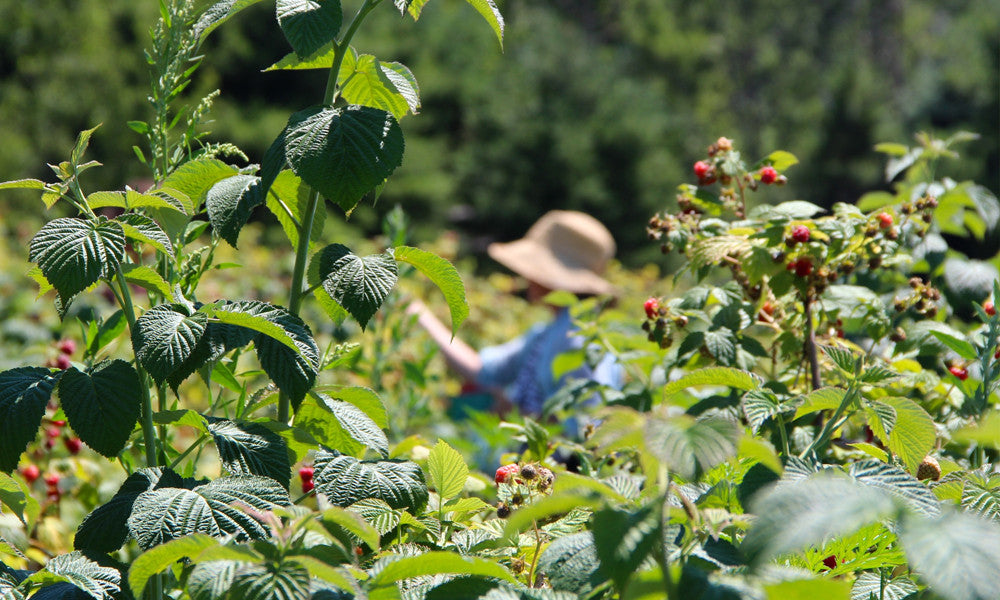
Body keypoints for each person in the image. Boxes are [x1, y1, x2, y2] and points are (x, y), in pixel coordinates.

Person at [407, 210, 623, 420]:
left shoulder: (576, 338)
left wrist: (516, 414)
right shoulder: (549, 333)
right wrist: (418, 314)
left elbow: (586, 423)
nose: (526, 275)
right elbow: (484, 370)